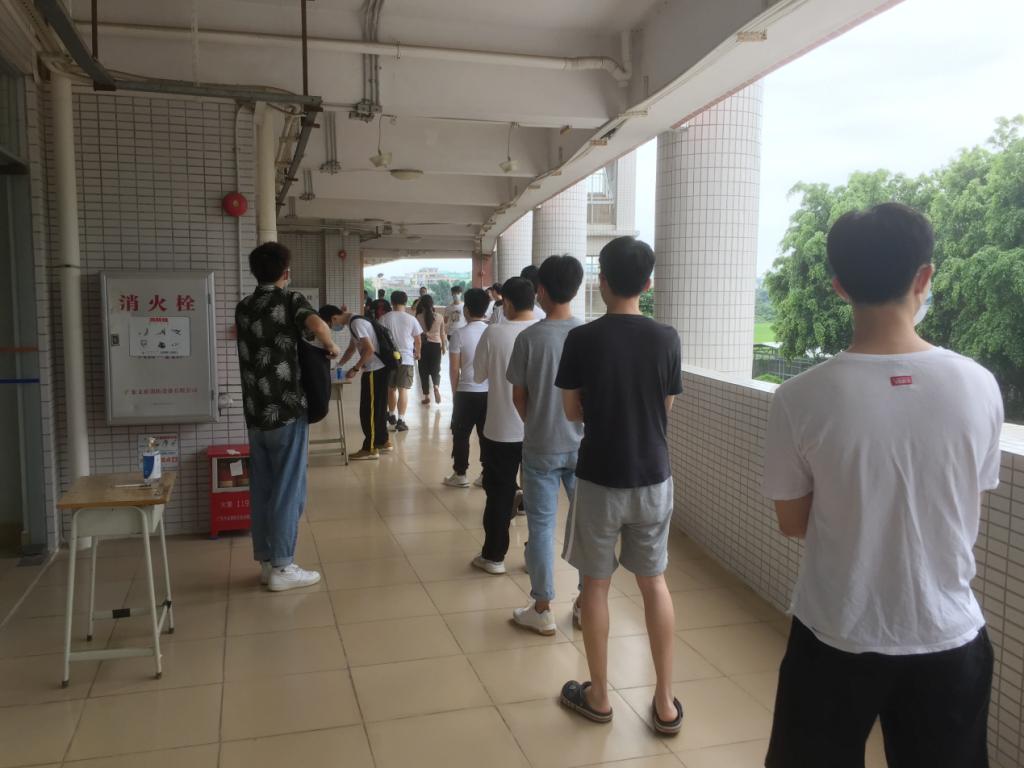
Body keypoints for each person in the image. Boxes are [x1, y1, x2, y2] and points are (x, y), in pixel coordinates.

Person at [761, 203, 1002, 768]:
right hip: (949, 635)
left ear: (840, 286)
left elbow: (792, 522)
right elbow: (964, 501)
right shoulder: (979, 385)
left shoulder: (799, 398)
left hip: (835, 631)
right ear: (925, 277)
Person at [556, 236, 683, 734]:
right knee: (654, 583)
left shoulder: (582, 339)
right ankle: (665, 703)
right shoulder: (666, 338)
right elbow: (665, 408)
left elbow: (572, 411)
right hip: (653, 475)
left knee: (596, 584)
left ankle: (600, 697)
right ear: (647, 284)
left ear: (601, 280)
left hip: (599, 476)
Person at [236, 242, 339, 591]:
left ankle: (266, 561)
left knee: (263, 486)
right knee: (288, 488)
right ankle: (283, 566)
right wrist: (331, 346)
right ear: (286, 272)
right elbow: (317, 325)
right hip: (287, 409)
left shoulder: (244, 306)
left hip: (255, 412)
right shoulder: (290, 299)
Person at [506, 255, 585, 634]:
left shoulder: (529, 338)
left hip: (540, 445)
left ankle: (542, 608)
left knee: (540, 528)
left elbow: (519, 397)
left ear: (540, 290)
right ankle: (586, 603)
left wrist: (537, 422)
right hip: (584, 447)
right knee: (586, 526)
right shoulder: (587, 336)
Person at [471, 277, 538, 574]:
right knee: (538, 497)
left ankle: (494, 557)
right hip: (537, 430)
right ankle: (536, 559)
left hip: (500, 428)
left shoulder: (494, 332)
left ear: (506, 302)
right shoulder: (545, 330)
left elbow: (478, 376)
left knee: (499, 493)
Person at [444, 287, 490, 488]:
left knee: (461, 434)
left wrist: (455, 394)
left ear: (466, 310)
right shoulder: (491, 331)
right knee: (486, 435)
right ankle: (487, 474)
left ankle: (460, 473)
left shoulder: (459, 334)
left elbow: (455, 369)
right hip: (488, 392)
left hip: (466, 391)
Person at [338, 308, 394, 460]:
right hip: (380, 369)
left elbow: (369, 349)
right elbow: (351, 349)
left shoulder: (356, 323)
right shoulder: (356, 321)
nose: (332, 326)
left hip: (374, 370)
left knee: (369, 410)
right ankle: (382, 441)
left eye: (330, 323)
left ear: (334, 317)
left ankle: (370, 448)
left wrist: (355, 368)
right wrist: (339, 365)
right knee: (379, 407)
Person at [380, 291, 421, 433]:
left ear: (392, 302)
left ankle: (391, 415)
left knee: (390, 388)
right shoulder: (411, 319)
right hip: (406, 358)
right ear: (406, 302)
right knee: (403, 389)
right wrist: (418, 352)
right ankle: (401, 420)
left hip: (390, 359)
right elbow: (417, 340)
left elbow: (380, 339)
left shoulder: (384, 318)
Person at [416, 295, 446, 405]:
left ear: (422, 305)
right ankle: (436, 386)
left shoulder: (418, 317)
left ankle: (426, 396)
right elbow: (442, 333)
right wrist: (444, 346)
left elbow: (416, 335)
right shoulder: (439, 317)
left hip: (423, 346)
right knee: (435, 369)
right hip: (436, 346)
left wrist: (416, 349)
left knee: (423, 371)